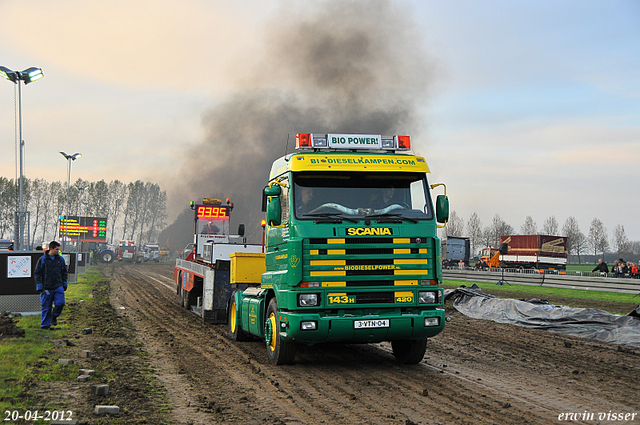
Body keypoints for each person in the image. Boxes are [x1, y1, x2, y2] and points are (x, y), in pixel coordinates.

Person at [34, 241, 68, 330]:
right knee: (46, 306)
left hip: (58, 286)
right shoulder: (43, 260)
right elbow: (37, 273)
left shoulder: (60, 260)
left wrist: (64, 282)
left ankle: (54, 316)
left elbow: (64, 272)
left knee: (60, 303)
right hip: (46, 287)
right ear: (51, 249)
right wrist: (39, 285)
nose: (58, 251)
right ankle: (45, 325)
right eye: (57, 249)